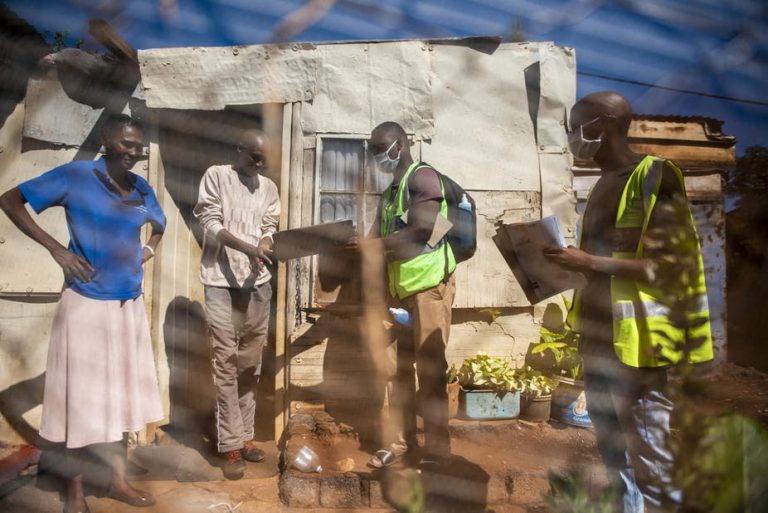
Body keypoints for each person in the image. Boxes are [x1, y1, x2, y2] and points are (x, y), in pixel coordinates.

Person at [545, 91, 714, 512]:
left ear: (601, 125)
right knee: (613, 453)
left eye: (577, 126)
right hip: (599, 337)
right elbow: (604, 264)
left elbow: (669, 267)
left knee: (649, 454)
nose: (572, 137)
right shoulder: (603, 184)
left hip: (641, 347)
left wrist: (588, 261)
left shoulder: (656, 176)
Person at [0, 114, 165, 513]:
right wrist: (58, 250)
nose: (134, 152)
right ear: (108, 142)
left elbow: (159, 225)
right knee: (81, 401)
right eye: (127, 144)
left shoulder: (141, 188)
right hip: (86, 305)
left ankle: (118, 481)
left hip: (128, 306)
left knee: (123, 396)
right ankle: (74, 494)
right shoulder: (76, 175)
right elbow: (10, 199)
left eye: (139, 146)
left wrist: (147, 252)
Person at [361, 121, 456, 468]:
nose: (376, 156)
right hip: (397, 294)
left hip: (429, 288)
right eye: (372, 151)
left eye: (380, 148)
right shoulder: (389, 195)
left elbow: (423, 228)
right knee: (395, 371)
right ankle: (398, 442)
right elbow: (376, 240)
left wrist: (371, 244)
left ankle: (437, 450)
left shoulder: (424, 178)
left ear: (400, 144)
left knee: (431, 368)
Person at [193, 128, 279, 480]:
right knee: (225, 361)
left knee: (250, 363)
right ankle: (228, 445)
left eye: (263, 159)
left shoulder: (268, 187)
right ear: (239, 150)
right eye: (254, 157)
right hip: (220, 284)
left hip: (257, 285)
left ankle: (244, 437)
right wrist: (248, 248)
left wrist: (267, 241)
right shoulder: (217, 176)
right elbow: (210, 222)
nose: (258, 164)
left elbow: (270, 223)